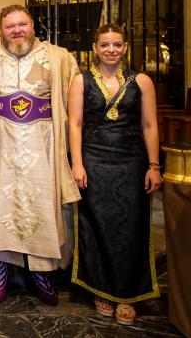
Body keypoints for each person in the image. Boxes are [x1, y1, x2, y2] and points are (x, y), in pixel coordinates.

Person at [0, 4, 80, 306]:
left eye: (22, 24)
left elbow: (77, 105)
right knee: (1, 208)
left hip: (41, 147)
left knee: (41, 210)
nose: (17, 30)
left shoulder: (58, 58)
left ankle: (41, 273)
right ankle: (1, 269)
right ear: (0, 30)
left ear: (33, 25)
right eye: (10, 26)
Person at [67, 24, 162, 325]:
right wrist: (77, 163)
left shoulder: (142, 81)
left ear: (125, 48)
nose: (111, 50)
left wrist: (154, 165)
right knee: (97, 228)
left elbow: (149, 126)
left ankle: (128, 292)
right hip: (94, 161)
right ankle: (102, 290)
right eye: (105, 45)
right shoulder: (80, 80)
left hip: (131, 163)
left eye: (117, 45)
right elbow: (75, 124)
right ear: (95, 48)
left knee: (131, 228)